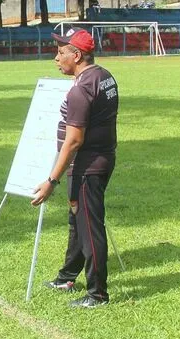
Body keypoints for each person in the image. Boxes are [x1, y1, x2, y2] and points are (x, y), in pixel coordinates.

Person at [31, 28, 118, 308]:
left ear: (77, 55)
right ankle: (68, 276)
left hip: (87, 167)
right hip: (99, 160)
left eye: (61, 52)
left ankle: (97, 294)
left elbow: (74, 140)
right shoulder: (103, 76)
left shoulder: (81, 90)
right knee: (77, 222)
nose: (56, 58)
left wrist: (51, 181)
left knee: (90, 228)